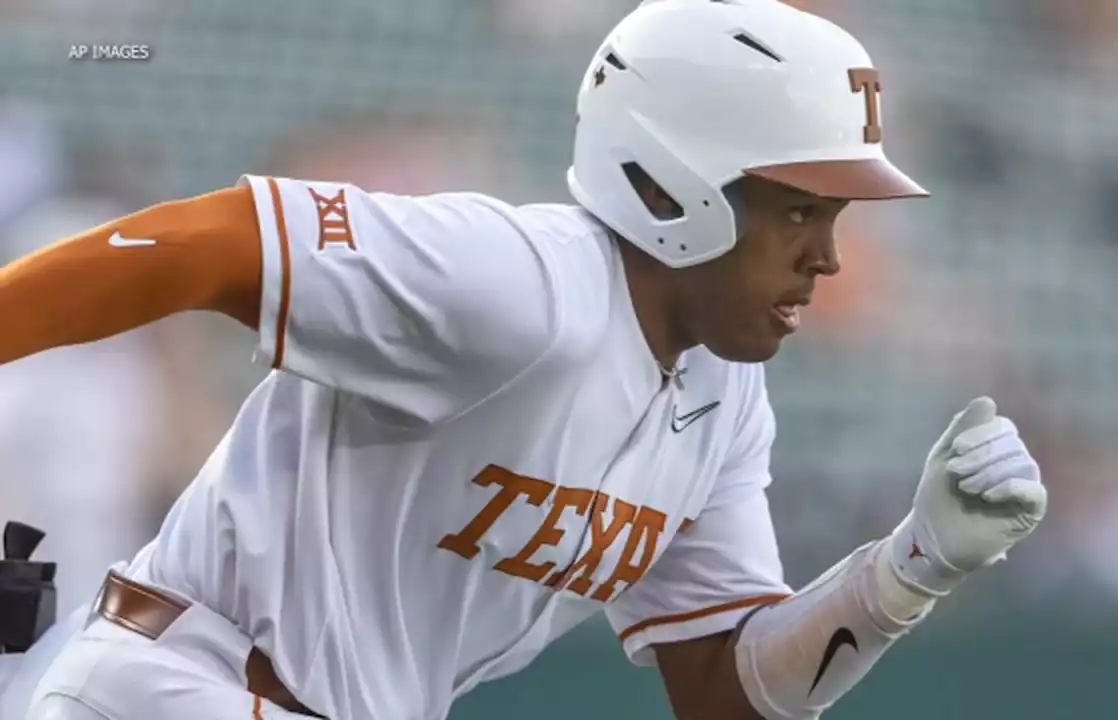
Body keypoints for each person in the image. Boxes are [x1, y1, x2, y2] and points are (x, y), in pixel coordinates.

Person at [2, 1, 1047, 718]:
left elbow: (721, 689)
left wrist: (907, 570)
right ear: (672, 187)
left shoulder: (724, 398)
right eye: (798, 212)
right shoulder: (521, 280)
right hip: (186, 685)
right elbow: (213, 239)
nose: (826, 256)